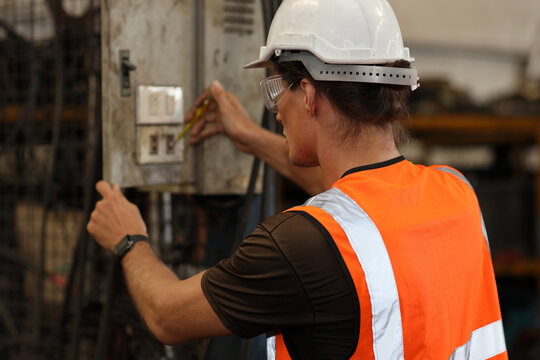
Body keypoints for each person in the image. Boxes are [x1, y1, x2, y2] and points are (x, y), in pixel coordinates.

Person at [87, 0, 508, 358]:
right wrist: (253, 140)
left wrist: (129, 240)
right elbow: (360, 218)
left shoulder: (297, 245)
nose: (273, 108)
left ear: (307, 94)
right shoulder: (457, 192)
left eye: (275, 89)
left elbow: (166, 315)